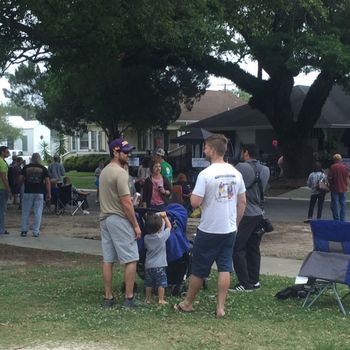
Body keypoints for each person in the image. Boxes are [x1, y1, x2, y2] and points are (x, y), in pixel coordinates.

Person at [174, 134, 246, 317]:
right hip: (229, 229)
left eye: (205, 147)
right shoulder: (236, 173)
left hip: (209, 228)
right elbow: (242, 202)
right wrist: (235, 224)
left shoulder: (205, 174)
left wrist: (192, 195)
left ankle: (188, 302)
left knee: (199, 268)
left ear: (213, 150)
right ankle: (220, 307)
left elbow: (195, 202)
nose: (204, 150)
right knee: (224, 267)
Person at [99, 137, 141, 308]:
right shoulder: (121, 173)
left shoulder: (104, 171)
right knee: (131, 258)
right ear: (115, 152)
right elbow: (126, 203)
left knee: (108, 259)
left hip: (105, 218)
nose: (128, 154)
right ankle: (129, 298)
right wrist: (136, 225)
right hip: (119, 218)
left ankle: (108, 297)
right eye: (125, 152)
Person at [232, 144, 270, 292]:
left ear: (246, 152)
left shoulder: (241, 167)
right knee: (253, 247)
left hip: (245, 212)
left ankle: (244, 282)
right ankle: (254, 280)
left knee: (238, 247)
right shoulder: (265, 169)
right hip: (259, 212)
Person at [144, 211, 172, 305]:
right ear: (160, 227)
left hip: (148, 265)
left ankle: (148, 299)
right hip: (160, 265)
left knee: (148, 283)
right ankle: (161, 299)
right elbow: (169, 227)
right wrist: (165, 217)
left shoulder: (146, 238)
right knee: (161, 283)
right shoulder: (161, 237)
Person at [20, 153, 51, 237]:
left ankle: (24, 230)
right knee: (38, 212)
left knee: (25, 212)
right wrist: (49, 193)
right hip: (39, 192)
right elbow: (47, 182)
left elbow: (21, 179)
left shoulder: (25, 167)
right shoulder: (43, 168)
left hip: (28, 192)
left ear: (31, 158)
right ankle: (35, 231)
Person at [328, 153, 349, 221]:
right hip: (343, 188)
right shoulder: (344, 167)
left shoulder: (333, 167)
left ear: (334, 160)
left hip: (334, 188)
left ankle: (336, 219)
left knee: (335, 204)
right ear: (340, 160)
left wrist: (329, 185)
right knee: (343, 204)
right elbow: (347, 177)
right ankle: (342, 219)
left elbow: (330, 177)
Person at [0, 146, 11, 235]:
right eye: (7, 151)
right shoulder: (2, 163)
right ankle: (1, 229)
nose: (9, 153)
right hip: (2, 189)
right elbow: (4, 178)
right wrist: (8, 189)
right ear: (3, 152)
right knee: (2, 210)